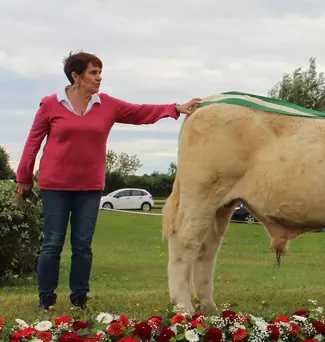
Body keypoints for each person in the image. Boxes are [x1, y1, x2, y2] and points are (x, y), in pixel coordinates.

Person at [15, 51, 202, 312]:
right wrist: (24, 177)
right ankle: (46, 299)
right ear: (75, 76)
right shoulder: (50, 104)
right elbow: (33, 141)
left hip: (90, 188)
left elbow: (139, 112)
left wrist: (173, 109)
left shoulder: (107, 104)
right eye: (93, 72)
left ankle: (79, 298)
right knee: (52, 244)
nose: (99, 78)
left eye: (100, 72)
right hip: (55, 186)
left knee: (82, 245)